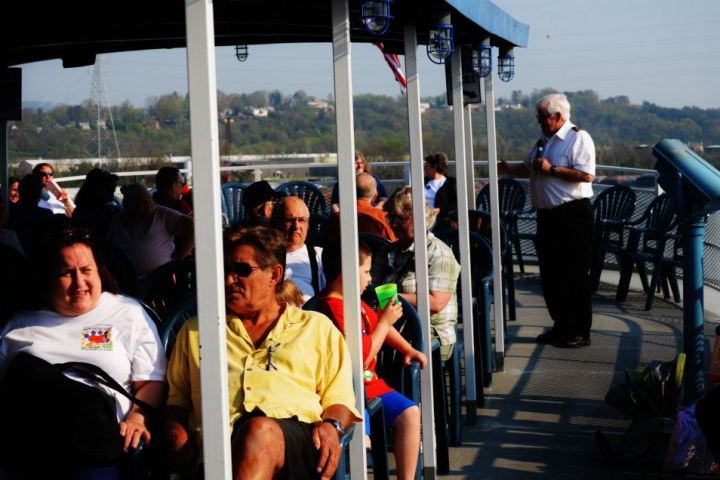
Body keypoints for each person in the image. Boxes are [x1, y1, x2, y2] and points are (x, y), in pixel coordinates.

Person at [165, 225, 361, 480]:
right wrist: (176, 431)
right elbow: (176, 401)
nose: (228, 280)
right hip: (216, 447)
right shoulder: (197, 332)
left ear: (274, 275)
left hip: (295, 442)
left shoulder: (315, 327)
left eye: (242, 270)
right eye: (224, 270)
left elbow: (340, 398)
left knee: (260, 432)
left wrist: (332, 426)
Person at [0, 226, 167, 478]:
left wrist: (138, 418)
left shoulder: (127, 313)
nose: (79, 282)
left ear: (99, 272)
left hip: (93, 445)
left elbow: (151, 381)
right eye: (66, 272)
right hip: (28, 444)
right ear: (47, 278)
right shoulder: (19, 324)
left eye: (86, 270)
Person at [317, 239, 425, 480]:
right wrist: (386, 321)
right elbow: (361, 359)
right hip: (351, 391)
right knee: (361, 441)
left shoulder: (355, 302)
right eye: (365, 271)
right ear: (347, 272)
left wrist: (408, 348)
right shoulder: (332, 308)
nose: (369, 278)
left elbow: (378, 325)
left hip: (373, 386)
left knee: (410, 414)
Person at [499, 92, 595, 348]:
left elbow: (586, 175)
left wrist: (552, 170)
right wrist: (509, 168)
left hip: (572, 214)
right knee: (552, 276)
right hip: (547, 216)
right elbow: (530, 166)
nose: (539, 122)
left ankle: (579, 331)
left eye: (542, 117)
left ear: (558, 116)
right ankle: (561, 325)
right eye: (538, 118)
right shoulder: (544, 140)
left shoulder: (577, 138)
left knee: (574, 274)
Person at [372, 186, 461, 362]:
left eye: (401, 218)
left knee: (388, 356)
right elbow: (371, 288)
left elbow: (436, 303)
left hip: (429, 332)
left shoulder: (438, 253)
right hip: (393, 327)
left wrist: (394, 297)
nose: (394, 224)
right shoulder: (388, 251)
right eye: (391, 217)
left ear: (421, 217)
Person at [106, 183, 194, 276]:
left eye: (137, 200)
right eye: (129, 201)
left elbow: (193, 227)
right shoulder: (118, 219)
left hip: (158, 280)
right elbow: (109, 246)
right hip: (126, 282)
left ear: (146, 200)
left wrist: (181, 255)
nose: (132, 205)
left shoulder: (161, 214)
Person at [273, 196, 325, 303]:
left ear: (308, 225)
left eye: (302, 220)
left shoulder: (319, 256)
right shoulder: (267, 256)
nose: (296, 226)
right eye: (290, 220)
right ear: (278, 223)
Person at [323, 172, 397, 242]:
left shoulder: (335, 219)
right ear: (375, 196)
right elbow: (393, 243)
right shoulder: (383, 218)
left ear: (349, 194)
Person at [72, 168, 121, 239]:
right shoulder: (87, 214)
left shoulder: (113, 204)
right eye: (109, 187)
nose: (113, 190)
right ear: (96, 189)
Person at [424, 152, 457, 230]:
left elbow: (454, 206)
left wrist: (437, 211)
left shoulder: (450, 183)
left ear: (434, 167)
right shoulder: (423, 181)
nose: (424, 168)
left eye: (427, 165)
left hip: (437, 219)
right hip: (421, 215)